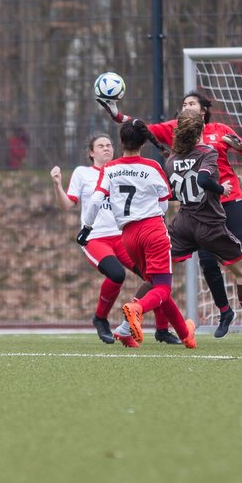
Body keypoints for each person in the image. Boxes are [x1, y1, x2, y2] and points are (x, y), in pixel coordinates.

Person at [98, 91, 242, 337]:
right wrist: (117, 114)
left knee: (161, 274)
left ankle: (127, 323)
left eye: (192, 103)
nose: (187, 105)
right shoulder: (192, 142)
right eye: (184, 103)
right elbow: (143, 129)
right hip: (208, 214)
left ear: (202, 110)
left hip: (199, 214)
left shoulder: (201, 141)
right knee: (231, 266)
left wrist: (241, 146)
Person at [50, 135, 183, 345]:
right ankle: (100, 319)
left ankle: (162, 329)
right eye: (100, 146)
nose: (106, 148)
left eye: (109, 145)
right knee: (116, 274)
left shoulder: (121, 169)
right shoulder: (82, 173)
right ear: (91, 152)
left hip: (124, 236)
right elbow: (67, 204)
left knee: (154, 278)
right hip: (96, 238)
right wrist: (58, 185)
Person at [78, 120, 196, 349]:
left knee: (154, 283)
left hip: (128, 235)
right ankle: (137, 309)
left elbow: (95, 199)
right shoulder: (152, 167)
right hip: (152, 229)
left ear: (120, 142)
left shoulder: (109, 169)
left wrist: (87, 227)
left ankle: (185, 335)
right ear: (144, 142)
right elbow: (164, 203)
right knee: (162, 287)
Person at [165, 110, 242, 344]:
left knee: (159, 270)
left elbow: (171, 192)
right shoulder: (207, 151)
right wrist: (221, 190)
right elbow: (204, 180)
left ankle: (132, 315)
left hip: (184, 222)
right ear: (200, 130)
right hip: (209, 222)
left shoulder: (170, 160)